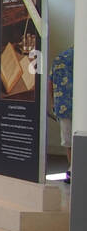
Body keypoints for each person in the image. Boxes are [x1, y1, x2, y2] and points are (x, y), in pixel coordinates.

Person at [51, 46, 73, 182]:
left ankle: (72, 168)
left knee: (68, 141)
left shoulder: (60, 58)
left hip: (63, 105)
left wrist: (52, 103)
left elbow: (50, 81)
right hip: (80, 106)